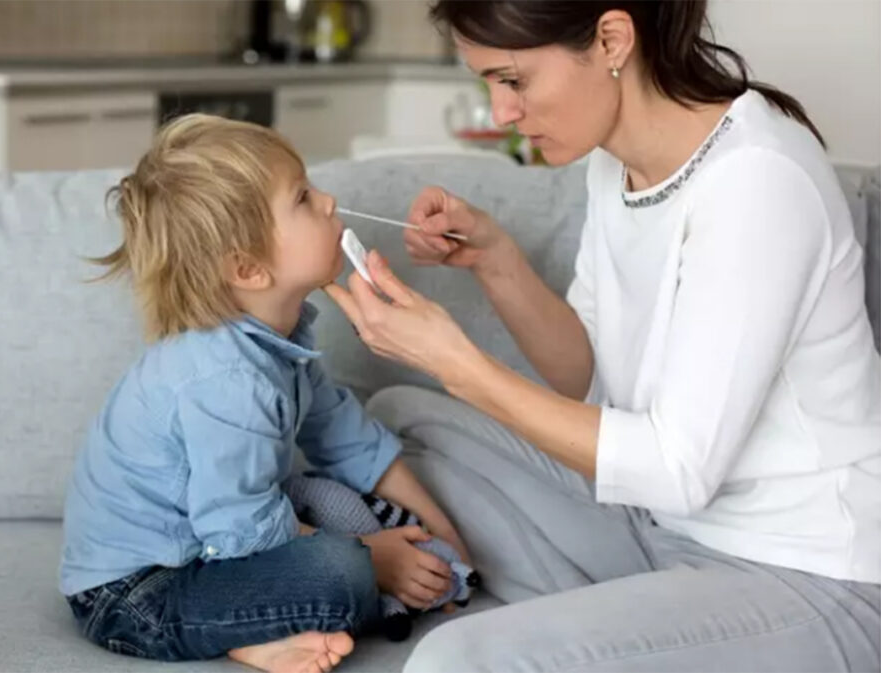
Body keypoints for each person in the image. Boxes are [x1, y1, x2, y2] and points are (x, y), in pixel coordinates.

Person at [324, 1, 881, 671]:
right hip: (659, 529)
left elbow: (678, 468)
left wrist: (456, 361)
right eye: (489, 85)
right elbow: (591, 380)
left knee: (454, 661)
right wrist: (496, 259)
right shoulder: (613, 167)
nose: (501, 113)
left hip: (806, 572)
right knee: (396, 419)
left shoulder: (757, 181)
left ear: (612, 40)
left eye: (514, 80)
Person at [58, 114, 468, 673]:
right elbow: (244, 528)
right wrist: (378, 562)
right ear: (248, 268)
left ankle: (259, 626)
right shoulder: (227, 379)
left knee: (322, 498)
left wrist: (445, 534)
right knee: (341, 576)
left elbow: (348, 440)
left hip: (213, 549)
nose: (328, 202)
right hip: (135, 594)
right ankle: (240, 636)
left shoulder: (282, 339)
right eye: (302, 197)